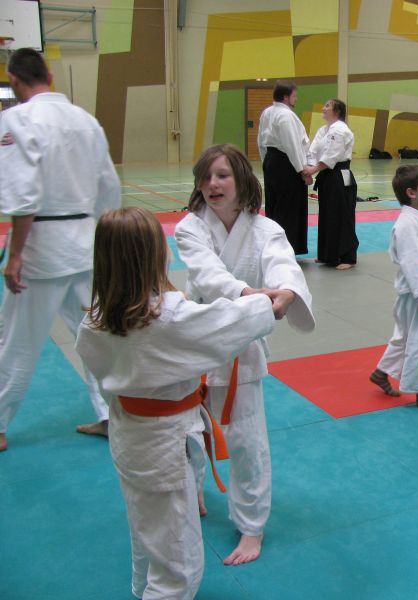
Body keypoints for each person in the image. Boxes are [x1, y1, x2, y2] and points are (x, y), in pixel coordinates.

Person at [76, 207, 282, 600]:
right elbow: (225, 325)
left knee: (146, 530)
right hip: (165, 444)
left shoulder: (95, 321)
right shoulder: (169, 318)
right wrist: (268, 302)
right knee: (180, 567)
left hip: (128, 434)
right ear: (155, 256)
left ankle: (142, 588)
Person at [174, 144, 315, 565]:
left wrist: (286, 292)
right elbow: (207, 274)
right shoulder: (190, 228)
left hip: (241, 348)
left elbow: (283, 263)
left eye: (222, 175)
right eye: (206, 177)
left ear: (241, 180)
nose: (212, 184)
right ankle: (193, 490)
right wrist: (250, 294)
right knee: (185, 431)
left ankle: (251, 526)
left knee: (247, 441)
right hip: (195, 339)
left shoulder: (264, 229)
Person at [0, 48, 120, 452]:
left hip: (42, 250)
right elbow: (108, 187)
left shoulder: (16, 119)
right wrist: (104, 239)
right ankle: (114, 414)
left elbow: (24, 195)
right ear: (50, 76)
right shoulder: (86, 121)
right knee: (97, 334)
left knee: (16, 340)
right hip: (86, 244)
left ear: (14, 80)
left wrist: (16, 255)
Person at [369, 165, 418, 410]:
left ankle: (381, 373)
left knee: (405, 335)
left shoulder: (416, 216)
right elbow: (413, 260)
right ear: (411, 192)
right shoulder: (407, 224)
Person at [303, 99, 359, 269]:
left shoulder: (340, 129)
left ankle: (347, 257)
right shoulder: (323, 130)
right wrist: (309, 166)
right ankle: (328, 254)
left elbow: (332, 154)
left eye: (327, 106)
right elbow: (313, 151)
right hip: (326, 175)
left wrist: (313, 170)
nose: (323, 108)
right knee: (327, 214)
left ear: (337, 111)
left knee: (342, 215)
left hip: (339, 175)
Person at [257, 79, 311, 255]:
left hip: (272, 161)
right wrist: (302, 170)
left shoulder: (267, 112)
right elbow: (292, 145)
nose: (296, 99)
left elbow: (261, 141)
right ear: (286, 97)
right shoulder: (286, 115)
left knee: (274, 205)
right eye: (294, 95)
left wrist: (266, 162)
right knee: (289, 208)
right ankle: (286, 250)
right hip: (287, 164)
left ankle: (273, 249)